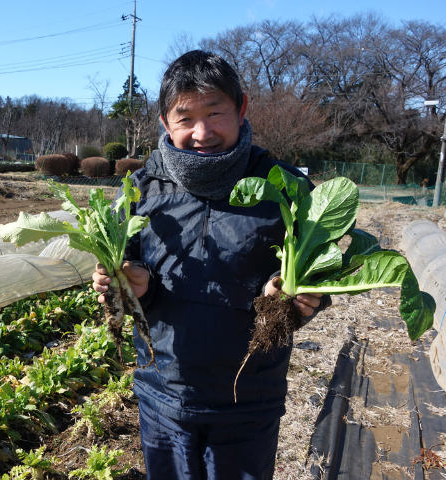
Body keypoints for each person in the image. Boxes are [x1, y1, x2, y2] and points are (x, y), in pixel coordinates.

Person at [92, 50, 326, 480]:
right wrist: (130, 284)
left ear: (241, 108)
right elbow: (127, 268)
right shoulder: (139, 190)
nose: (202, 132)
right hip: (163, 394)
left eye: (215, 113)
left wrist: (293, 295)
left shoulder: (285, 187)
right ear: (165, 122)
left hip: (248, 400)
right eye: (185, 118)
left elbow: (318, 274)